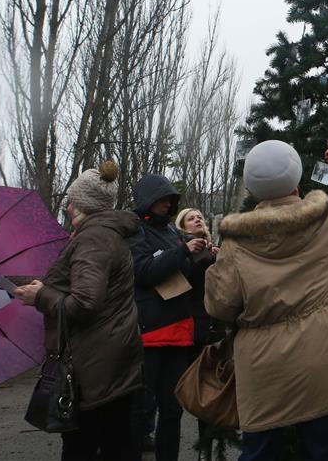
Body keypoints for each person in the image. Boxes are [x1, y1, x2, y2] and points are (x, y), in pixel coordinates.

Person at [204, 142, 328, 461]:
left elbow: (219, 305)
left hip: (263, 366)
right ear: (297, 182)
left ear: (253, 189)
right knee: (324, 449)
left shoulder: (236, 242)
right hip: (324, 356)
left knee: (258, 451)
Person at [11, 161, 144, 461]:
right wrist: (0, 285)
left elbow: (84, 302)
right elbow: (63, 285)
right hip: (110, 362)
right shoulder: (104, 235)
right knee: (116, 443)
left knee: (85, 447)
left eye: (71, 202)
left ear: (83, 205)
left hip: (94, 367)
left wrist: (41, 296)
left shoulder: (93, 239)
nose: (68, 208)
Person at [129, 174, 206, 461]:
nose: (167, 203)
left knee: (172, 410)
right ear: (147, 200)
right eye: (161, 198)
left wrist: (204, 255)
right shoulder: (135, 231)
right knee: (141, 407)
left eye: (170, 199)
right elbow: (144, 272)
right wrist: (183, 251)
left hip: (179, 331)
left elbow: (185, 273)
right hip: (149, 333)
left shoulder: (175, 233)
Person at [175, 208, 225, 461]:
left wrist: (218, 260)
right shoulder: (179, 249)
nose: (198, 219)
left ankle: (207, 451)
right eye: (191, 217)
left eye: (200, 217)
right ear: (181, 225)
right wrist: (203, 258)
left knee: (210, 395)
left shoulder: (213, 250)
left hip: (213, 330)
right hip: (188, 330)